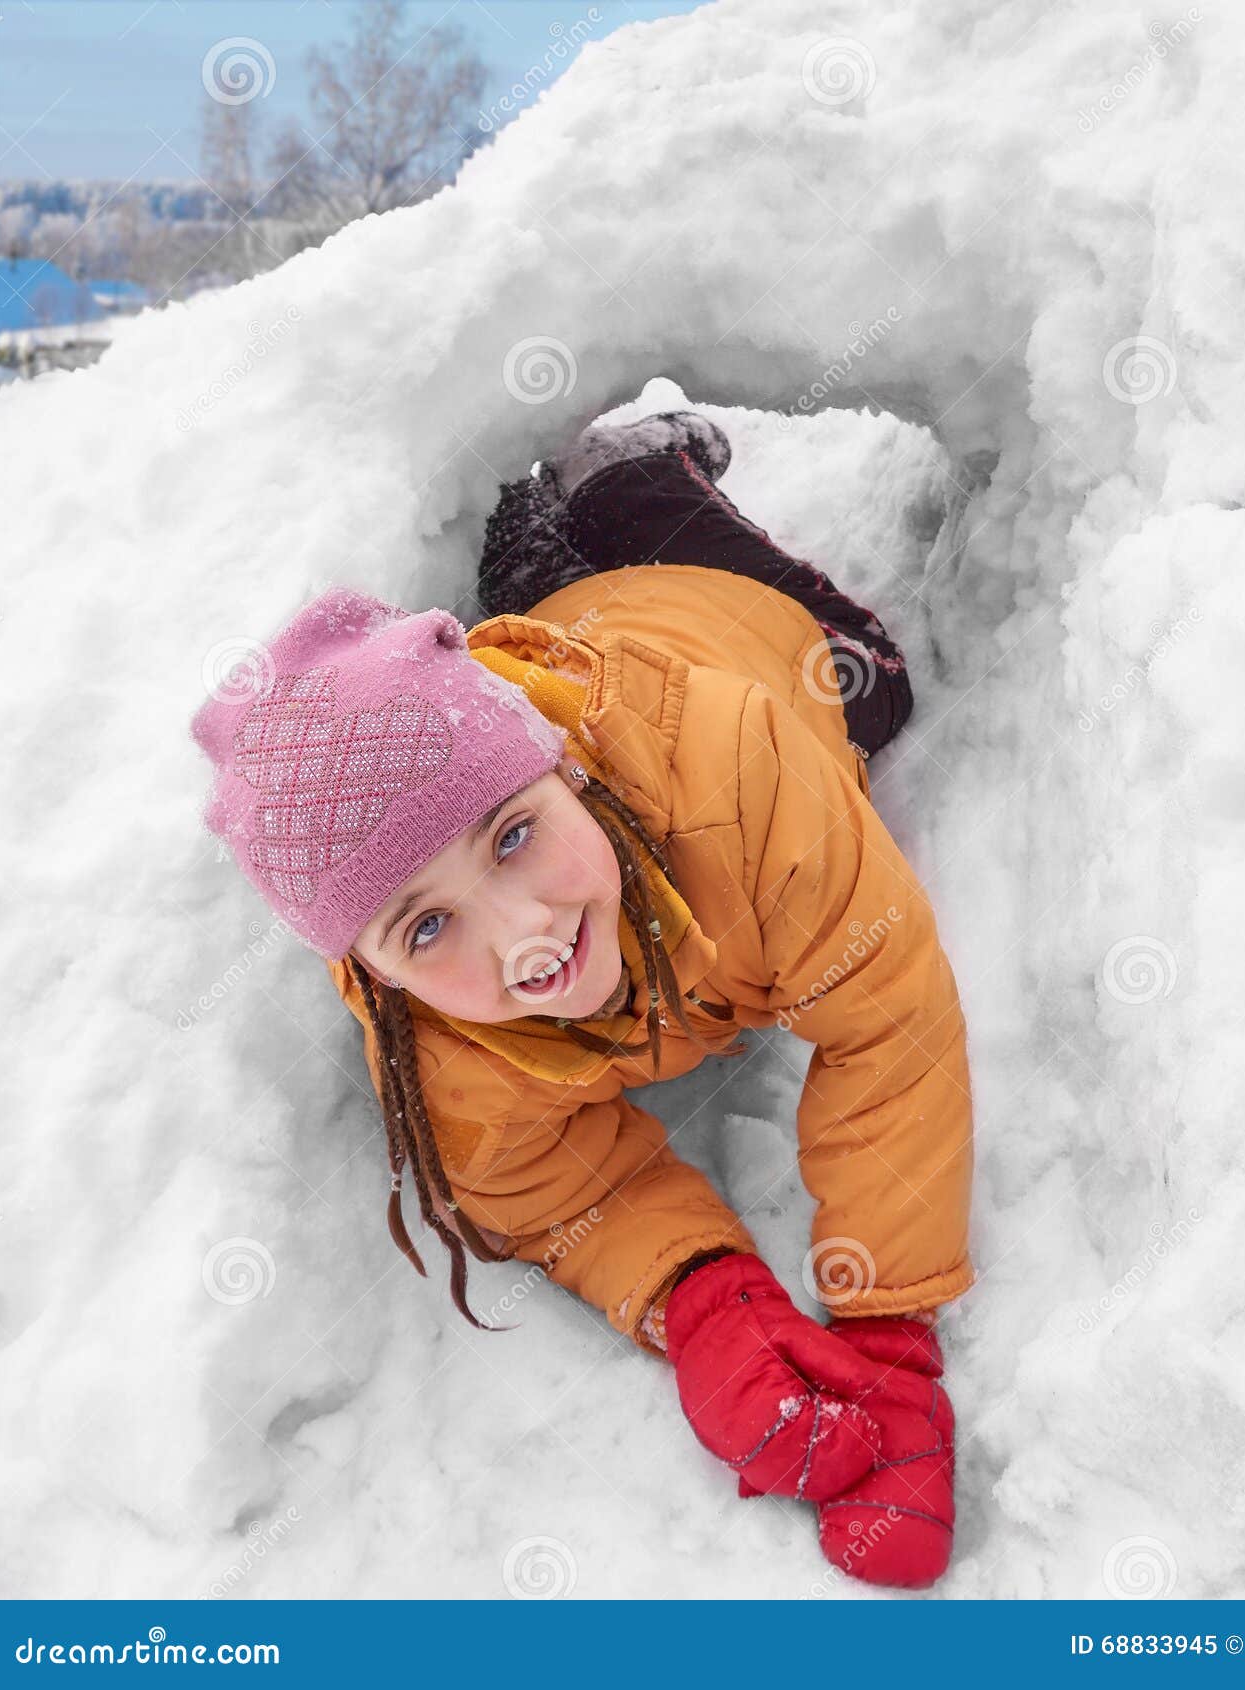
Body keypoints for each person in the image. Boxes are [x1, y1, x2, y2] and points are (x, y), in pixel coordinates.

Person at [190, 410, 975, 1591]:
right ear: (371, 972)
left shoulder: (746, 775)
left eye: (513, 836)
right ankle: (551, 567)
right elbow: (554, 1183)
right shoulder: (433, 1043)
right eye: (427, 923)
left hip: (722, 636)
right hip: (553, 652)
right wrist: (700, 1298)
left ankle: (634, 496)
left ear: (558, 762)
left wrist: (886, 1333)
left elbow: (884, 1021)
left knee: (874, 684)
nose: (524, 934)